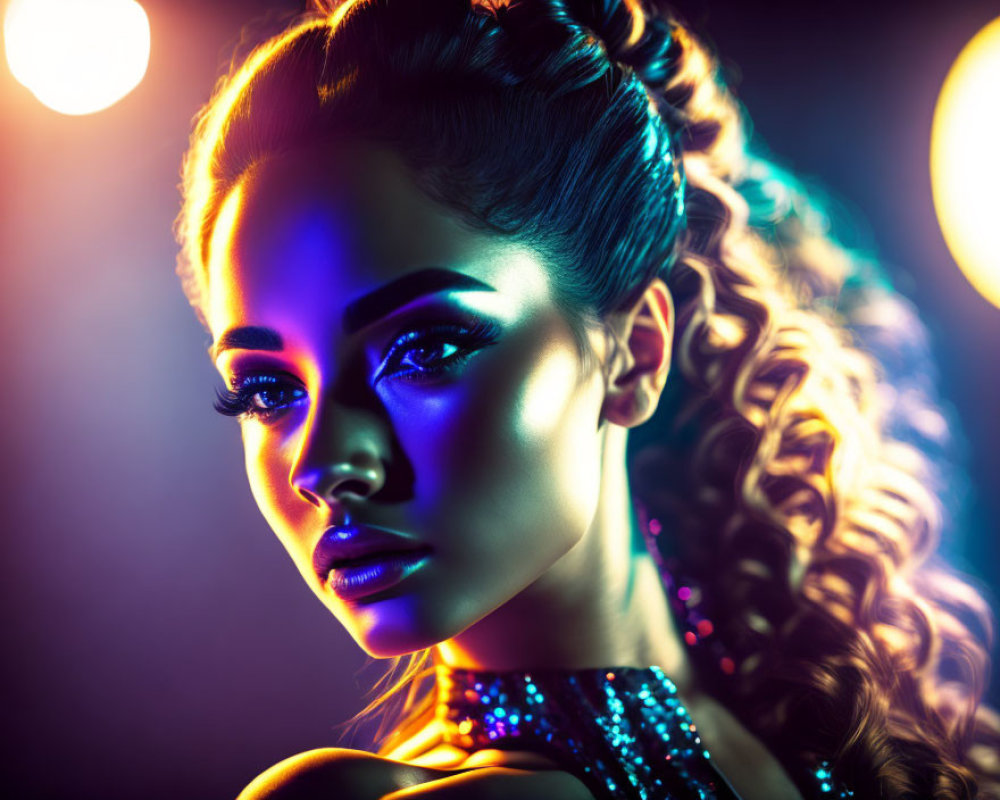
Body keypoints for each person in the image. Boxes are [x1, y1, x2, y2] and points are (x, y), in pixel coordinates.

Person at [174, 0, 1000, 797]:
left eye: (421, 349)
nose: (324, 462)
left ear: (635, 354)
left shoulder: (834, 728)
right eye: (266, 390)